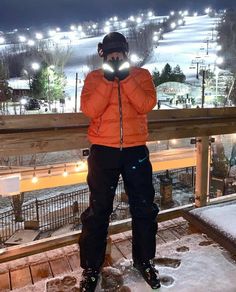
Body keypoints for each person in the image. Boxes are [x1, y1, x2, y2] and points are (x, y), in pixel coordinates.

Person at [79, 32, 160, 291]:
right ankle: (92, 269)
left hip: (135, 150)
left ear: (126, 53)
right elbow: (90, 110)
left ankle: (144, 261)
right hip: (103, 152)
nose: (116, 56)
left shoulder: (141, 75)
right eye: (111, 52)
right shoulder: (93, 78)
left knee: (144, 208)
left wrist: (125, 80)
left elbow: (146, 104)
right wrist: (107, 80)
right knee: (98, 212)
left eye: (119, 52)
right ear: (104, 54)